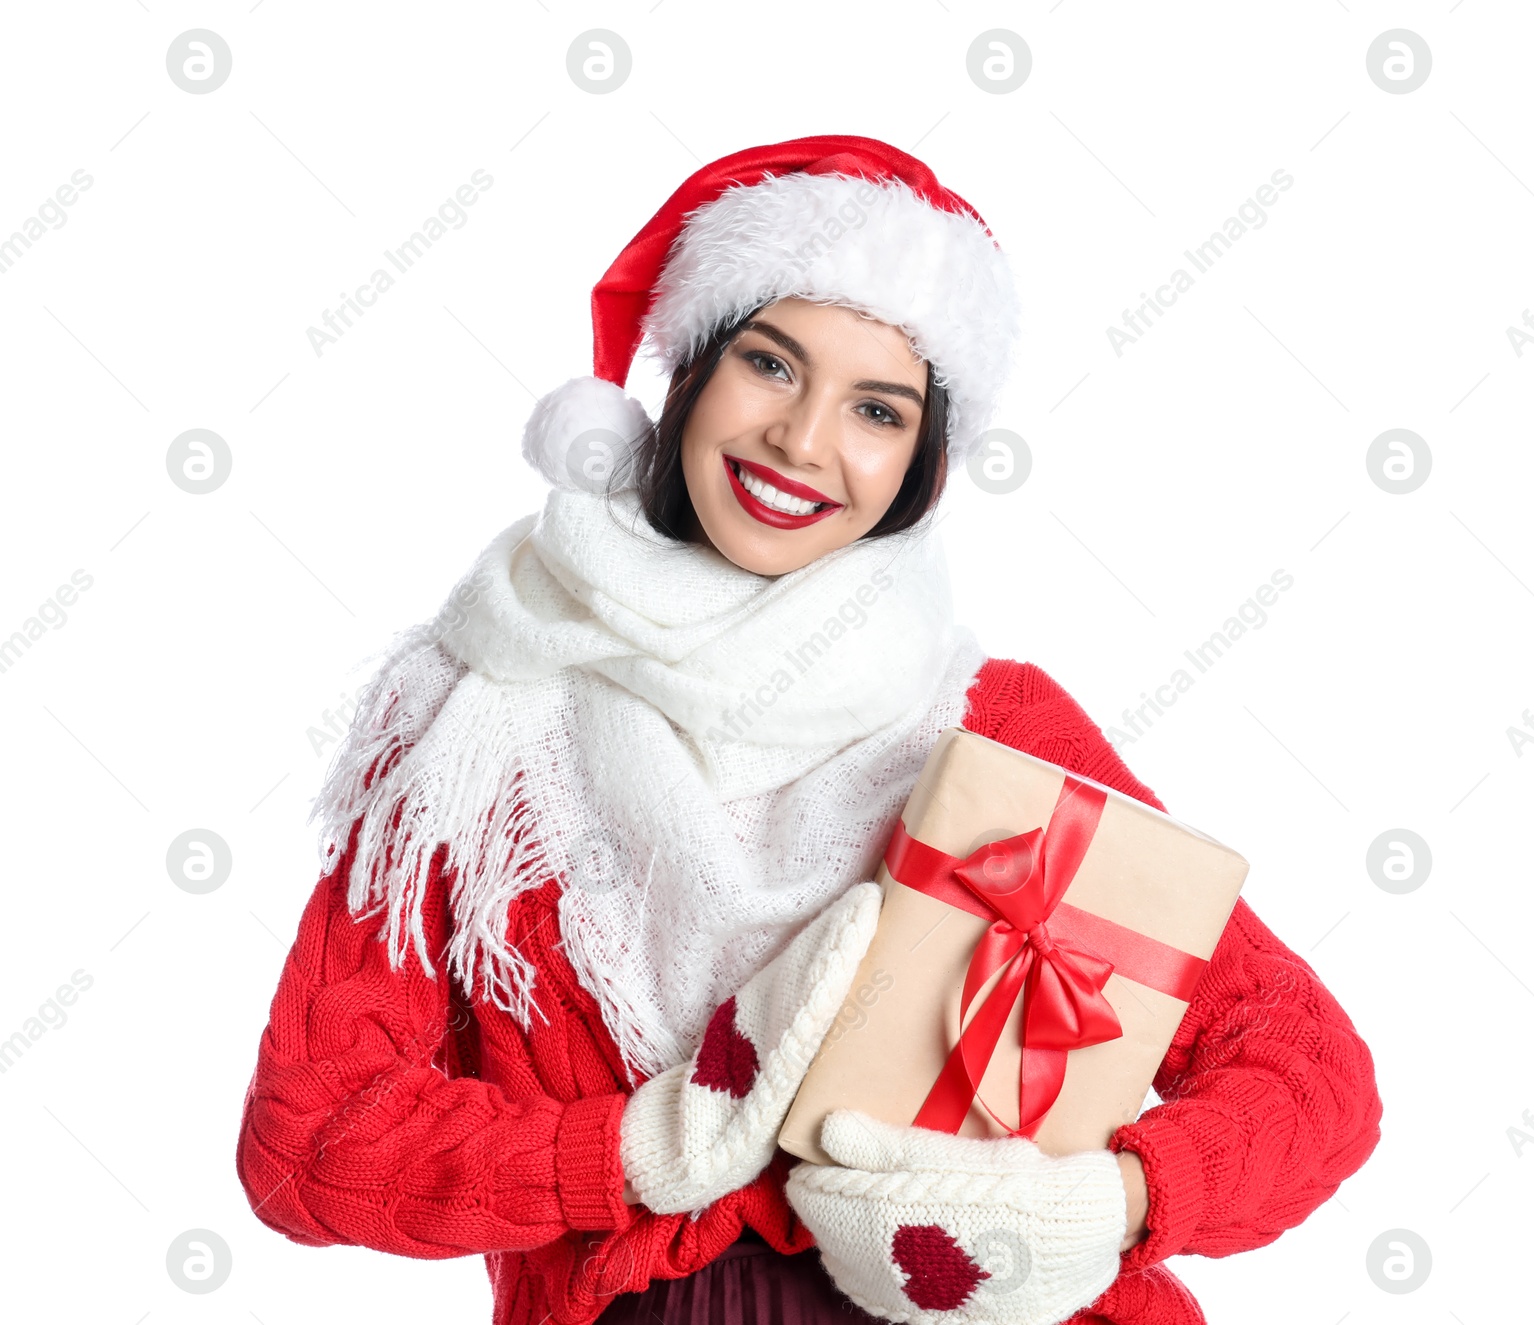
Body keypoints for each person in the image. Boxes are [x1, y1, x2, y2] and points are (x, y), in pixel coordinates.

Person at [236, 136, 1382, 1325]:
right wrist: (632, 1145)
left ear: (919, 463)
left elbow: (1308, 1074)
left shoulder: (991, 729)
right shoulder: (473, 722)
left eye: (875, 408)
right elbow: (309, 1138)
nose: (800, 439)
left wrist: (1114, 1201)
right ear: (687, 372)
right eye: (770, 365)